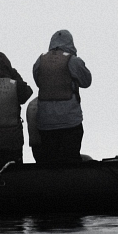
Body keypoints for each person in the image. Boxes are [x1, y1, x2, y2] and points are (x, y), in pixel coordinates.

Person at [32, 30, 92, 164]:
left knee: (50, 162)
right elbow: (86, 82)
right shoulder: (72, 60)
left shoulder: (40, 60)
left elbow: (38, 82)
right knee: (71, 161)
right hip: (70, 120)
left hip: (45, 121)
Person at [0, 52, 33, 170]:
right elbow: (28, 92)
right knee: (14, 175)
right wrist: (14, 74)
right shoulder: (16, 85)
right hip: (13, 140)